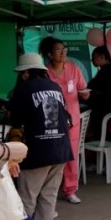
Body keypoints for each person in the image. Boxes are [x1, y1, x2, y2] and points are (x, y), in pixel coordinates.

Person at [8, 53, 73, 220]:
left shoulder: (23, 89)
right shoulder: (55, 87)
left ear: (26, 72)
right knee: (49, 194)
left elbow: (15, 121)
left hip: (37, 150)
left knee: (27, 196)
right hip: (60, 148)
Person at [39, 37, 89, 205]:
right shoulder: (45, 72)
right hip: (52, 118)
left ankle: (70, 189)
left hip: (72, 118)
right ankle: (49, 190)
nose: (63, 53)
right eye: (58, 50)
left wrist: (85, 94)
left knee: (71, 155)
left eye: (64, 49)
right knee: (53, 154)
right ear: (49, 54)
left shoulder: (73, 69)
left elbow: (83, 88)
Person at [87, 46, 111, 151]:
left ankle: (101, 163)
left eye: (94, 57)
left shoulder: (106, 71)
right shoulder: (108, 70)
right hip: (109, 110)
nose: (93, 60)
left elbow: (93, 87)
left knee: (102, 136)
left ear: (102, 57)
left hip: (105, 111)